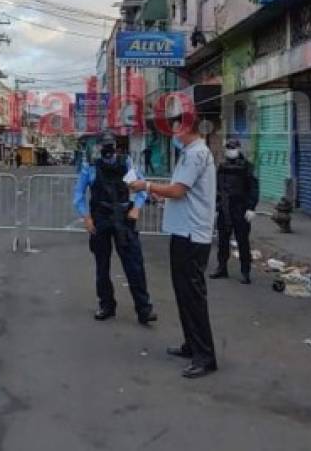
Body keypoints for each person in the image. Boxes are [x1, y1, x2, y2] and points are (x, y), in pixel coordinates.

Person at [129, 113, 217, 379]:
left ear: (189, 128)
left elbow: (178, 190)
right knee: (183, 294)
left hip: (192, 234)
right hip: (182, 231)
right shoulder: (189, 153)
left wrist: (146, 184)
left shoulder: (196, 154)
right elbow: (180, 193)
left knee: (192, 296)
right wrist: (157, 195)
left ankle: (205, 356)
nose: (174, 135)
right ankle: (192, 345)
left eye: (177, 130)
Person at [73, 130, 157, 325]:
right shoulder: (91, 167)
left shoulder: (125, 164)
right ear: (99, 146)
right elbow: (78, 194)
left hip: (123, 219)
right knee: (102, 266)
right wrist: (86, 218)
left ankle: (144, 309)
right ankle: (106, 305)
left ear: (116, 146)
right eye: (105, 145)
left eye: (111, 145)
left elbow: (141, 185)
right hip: (100, 219)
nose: (109, 149)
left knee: (134, 265)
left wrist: (136, 208)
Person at [211, 138, 259, 284]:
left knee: (242, 241)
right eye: (228, 148)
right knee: (223, 241)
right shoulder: (222, 166)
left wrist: (251, 207)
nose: (230, 150)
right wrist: (216, 205)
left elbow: (253, 188)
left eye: (233, 147)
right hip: (225, 208)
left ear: (238, 149)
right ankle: (222, 268)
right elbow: (217, 187)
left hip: (240, 208)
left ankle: (245, 272)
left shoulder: (246, 166)